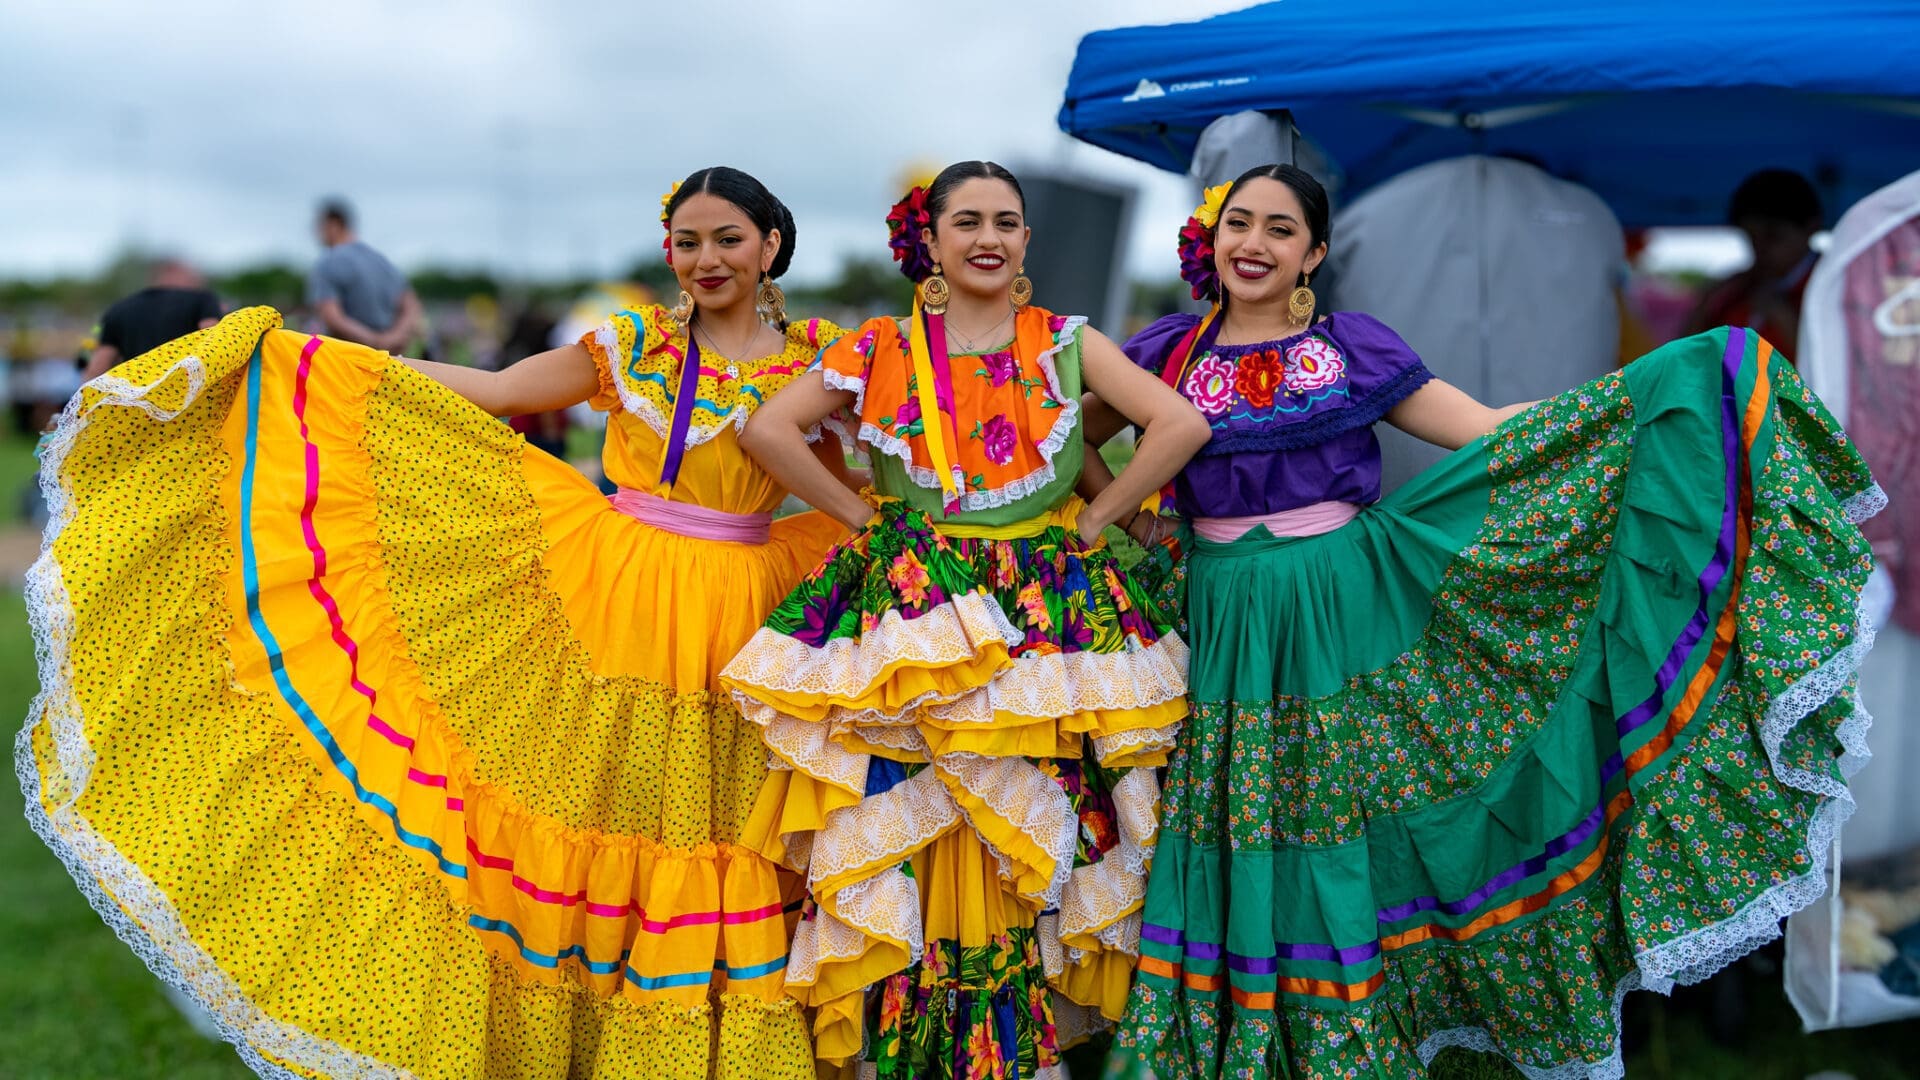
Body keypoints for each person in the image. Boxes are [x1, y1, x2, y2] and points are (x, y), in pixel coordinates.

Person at [21, 166, 860, 1078]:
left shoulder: (822, 357)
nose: (705, 260)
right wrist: (331, 364)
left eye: (728, 239)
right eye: (687, 241)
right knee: (593, 820)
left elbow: (870, 466)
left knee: (724, 833)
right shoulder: (635, 345)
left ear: (771, 244)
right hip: (610, 597)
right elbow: (498, 392)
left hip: (748, 611)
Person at [1087, 165, 1879, 1078]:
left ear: (1315, 252)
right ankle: (1247, 1031)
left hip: (1350, 612)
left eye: (1278, 229)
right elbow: (1061, 433)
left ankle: (1347, 1038)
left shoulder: (1352, 349)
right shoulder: (1166, 352)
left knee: (1342, 817)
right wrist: (1129, 515)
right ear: (1211, 238)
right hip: (1222, 613)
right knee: (1234, 813)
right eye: (1238, 225)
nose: (1253, 244)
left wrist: (1638, 400)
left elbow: (1488, 429)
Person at [719, 161, 1211, 1075]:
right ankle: (907, 1050)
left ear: (1026, 241)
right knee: (919, 815)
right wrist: (862, 516)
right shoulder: (880, 346)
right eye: (969, 222)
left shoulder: (1066, 341)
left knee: (1037, 828)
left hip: (1044, 618)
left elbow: (1178, 425)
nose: (990, 237)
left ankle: (1017, 1054)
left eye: (1008, 222)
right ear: (932, 241)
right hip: (920, 614)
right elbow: (768, 430)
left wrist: (1098, 519)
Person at [1683, 168, 1824, 353]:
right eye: (1751, 237)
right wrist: (1705, 303)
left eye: (1773, 236)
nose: (1760, 249)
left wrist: (1784, 320)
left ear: (1811, 227)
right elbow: (1689, 359)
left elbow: (1841, 367)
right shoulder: (1735, 292)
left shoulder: (1837, 286)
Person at [308, 197, 424, 353]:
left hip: (350, 360)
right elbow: (411, 306)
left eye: (320, 228)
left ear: (333, 225)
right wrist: (394, 337)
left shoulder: (328, 263)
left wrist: (375, 341)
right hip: (390, 363)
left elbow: (332, 317)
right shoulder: (382, 262)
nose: (317, 235)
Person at [84, 257, 223, 379]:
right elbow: (214, 346)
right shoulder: (203, 300)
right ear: (174, 272)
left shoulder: (118, 308)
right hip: (183, 395)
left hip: (135, 396)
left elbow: (97, 367)